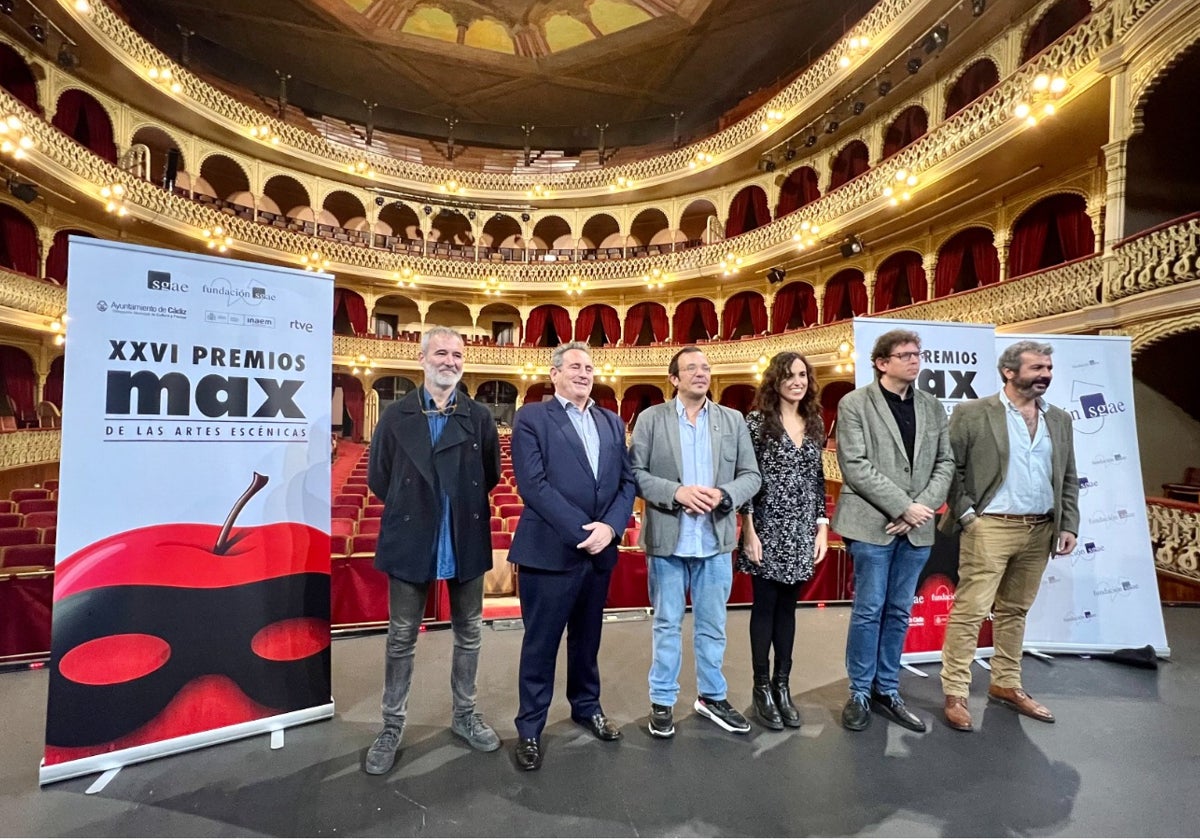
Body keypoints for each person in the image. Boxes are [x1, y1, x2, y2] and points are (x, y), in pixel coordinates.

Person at [363, 326, 502, 775]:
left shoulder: (479, 417)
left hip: (464, 536)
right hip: (412, 536)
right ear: (422, 359)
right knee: (401, 637)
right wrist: (415, 510)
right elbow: (379, 478)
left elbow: (491, 474)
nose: (449, 361)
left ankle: (465, 715)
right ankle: (391, 726)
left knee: (470, 633)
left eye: (457, 354)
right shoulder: (395, 415)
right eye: (440, 353)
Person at [508, 342, 637, 771]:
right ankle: (529, 727)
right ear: (555, 373)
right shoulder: (531, 417)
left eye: (589, 367)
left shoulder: (611, 421)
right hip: (549, 552)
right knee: (540, 645)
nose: (584, 372)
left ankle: (586, 706)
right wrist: (585, 531)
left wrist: (612, 528)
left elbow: (626, 483)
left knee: (588, 641)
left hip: (599, 553)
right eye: (575, 366)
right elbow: (533, 484)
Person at [939, 340, 1079, 732]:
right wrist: (968, 516)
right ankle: (956, 692)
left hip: (1041, 529)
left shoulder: (1060, 419)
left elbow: (1067, 476)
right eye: (1037, 368)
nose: (1046, 375)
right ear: (1010, 372)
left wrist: (1068, 523)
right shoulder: (972, 413)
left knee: (1014, 611)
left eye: (1048, 368)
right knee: (969, 612)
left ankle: (1006, 683)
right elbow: (951, 468)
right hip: (990, 527)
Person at [630, 346, 762, 738]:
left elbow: (750, 475)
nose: (701, 373)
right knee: (667, 625)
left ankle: (712, 697)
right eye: (691, 368)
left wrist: (724, 495)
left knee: (713, 625)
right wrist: (677, 493)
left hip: (715, 540)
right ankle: (663, 701)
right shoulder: (651, 419)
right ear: (674, 378)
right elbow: (635, 473)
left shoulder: (732, 419)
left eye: (705, 367)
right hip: (668, 538)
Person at [832, 328, 954, 733]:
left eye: (917, 354)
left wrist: (918, 510)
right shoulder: (854, 404)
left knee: (900, 611)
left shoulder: (933, 407)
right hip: (871, 524)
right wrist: (904, 506)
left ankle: (888, 688)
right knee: (868, 611)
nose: (914, 360)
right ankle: (860, 691)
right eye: (904, 355)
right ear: (882, 363)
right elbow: (855, 464)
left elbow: (945, 463)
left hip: (916, 528)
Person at [738, 352, 829, 730]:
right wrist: (747, 528)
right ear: (775, 381)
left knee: (788, 609)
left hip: (800, 528)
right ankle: (761, 689)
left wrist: (822, 526)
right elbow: (745, 474)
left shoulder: (815, 423)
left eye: (803, 375)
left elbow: (818, 479)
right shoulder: (756, 422)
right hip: (766, 525)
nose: (798, 381)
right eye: (790, 375)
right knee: (765, 606)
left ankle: (782, 686)